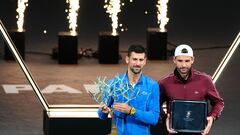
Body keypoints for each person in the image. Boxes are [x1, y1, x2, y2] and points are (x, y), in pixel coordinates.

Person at [158, 44, 224, 135]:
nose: (183, 65)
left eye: (187, 61)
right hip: (175, 132)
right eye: (180, 61)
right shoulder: (164, 83)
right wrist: (165, 118)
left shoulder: (205, 80)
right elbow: (154, 103)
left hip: (200, 132)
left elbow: (219, 103)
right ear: (174, 60)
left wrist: (212, 117)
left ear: (192, 60)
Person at [98, 44, 160, 135]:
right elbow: (101, 115)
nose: (138, 63)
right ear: (127, 59)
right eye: (134, 59)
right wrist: (103, 111)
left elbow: (154, 118)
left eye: (141, 60)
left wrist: (132, 111)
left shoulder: (152, 86)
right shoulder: (113, 84)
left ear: (145, 61)